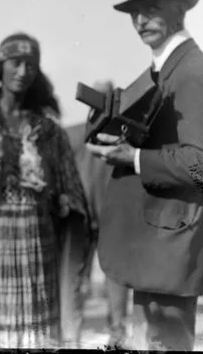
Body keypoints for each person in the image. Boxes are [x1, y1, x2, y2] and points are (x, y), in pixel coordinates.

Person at [86, 0, 203, 351]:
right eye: (134, 13)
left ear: (179, 9)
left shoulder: (193, 73)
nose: (141, 20)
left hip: (172, 243)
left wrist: (135, 157)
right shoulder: (167, 70)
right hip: (158, 241)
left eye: (153, 8)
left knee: (168, 342)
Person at [0, 33, 91, 349]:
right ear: (1, 66)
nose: (23, 71)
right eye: (16, 63)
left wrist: (63, 199)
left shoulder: (47, 129)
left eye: (31, 65)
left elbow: (71, 190)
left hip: (35, 248)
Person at [64, 92, 132, 348]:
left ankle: (117, 332)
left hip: (111, 221)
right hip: (81, 218)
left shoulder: (120, 141)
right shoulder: (73, 135)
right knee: (77, 279)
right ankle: (73, 337)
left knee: (114, 278)